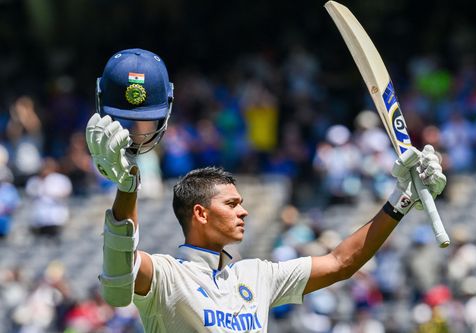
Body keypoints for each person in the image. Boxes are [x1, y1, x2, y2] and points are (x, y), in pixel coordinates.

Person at [85, 48, 447, 332]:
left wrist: (401, 198)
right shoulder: (167, 275)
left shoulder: (257, 276)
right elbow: (118, 283)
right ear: (200, 212)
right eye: (232, 204)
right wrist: (127, 186)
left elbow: (341, 262)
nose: (244, 211)